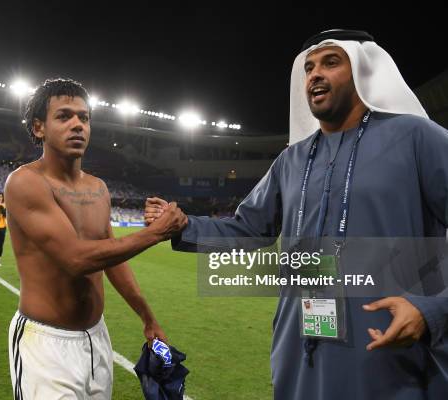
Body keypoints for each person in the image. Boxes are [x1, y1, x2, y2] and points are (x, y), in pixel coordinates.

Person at [145, 29, 448, 399]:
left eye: (331, 62)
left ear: (364, 72)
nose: (315, 74)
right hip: (299, 352)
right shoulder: (292, 159)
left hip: (388, 356)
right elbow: (248, 227)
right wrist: (185, 225)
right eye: (308, 67)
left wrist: (432, 310)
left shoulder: (416, 138)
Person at [4, 78, 186, 399]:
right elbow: (76, 259)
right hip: (44, 345)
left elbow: (112, 262)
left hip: (96, 339)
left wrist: (148, 317)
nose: (77, 125)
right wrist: (156, 232)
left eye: (83, 118)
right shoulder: (25, 183)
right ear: (38, 128)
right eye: (64, 117)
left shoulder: (98, 188)